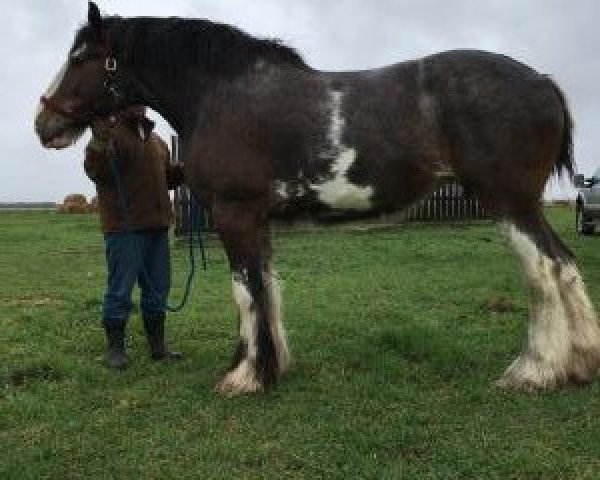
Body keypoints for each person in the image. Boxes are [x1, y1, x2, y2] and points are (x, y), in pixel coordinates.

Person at [84, 106, 184, 369]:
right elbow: (95, 170)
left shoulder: (157, 140)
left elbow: (167, 178)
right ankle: (115, 350)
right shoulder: (111, 135)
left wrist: (187, 169)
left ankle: (158, 347)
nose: (138, 105)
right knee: (120, 291)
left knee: (157, 289)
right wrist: (98, 141)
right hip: (124, 229)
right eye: (132, 99)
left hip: (157, 227)